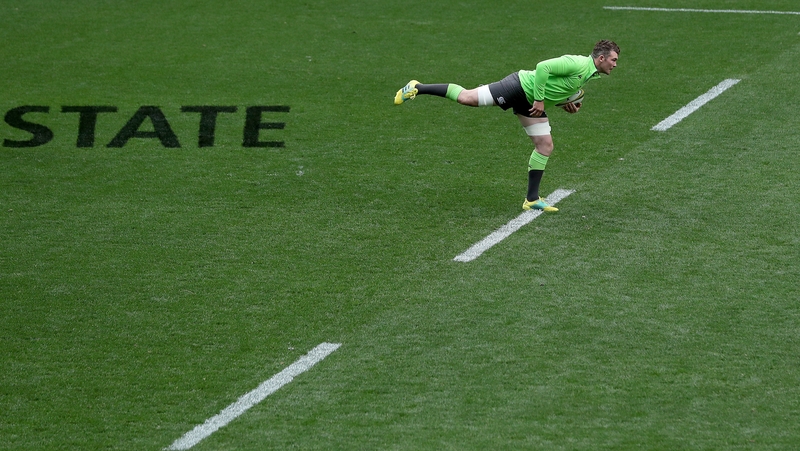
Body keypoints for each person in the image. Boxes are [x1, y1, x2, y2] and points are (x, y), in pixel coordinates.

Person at [394, 40, 620, 212]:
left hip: (531, 102)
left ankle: (531, 200)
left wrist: (564, 104)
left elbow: (558, 88)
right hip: (519, 87)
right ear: (601, 59)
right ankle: (416, 87)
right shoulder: (577, 63)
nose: (615, 64)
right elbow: (543, 68)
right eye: (613, 60)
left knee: (545, 146)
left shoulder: (589, 74)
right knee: (466, 98)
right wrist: (540, 100)